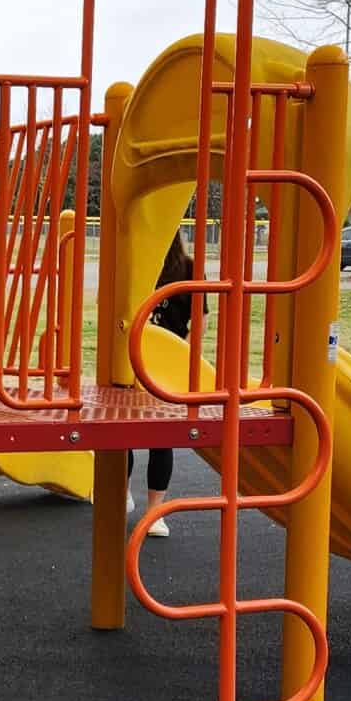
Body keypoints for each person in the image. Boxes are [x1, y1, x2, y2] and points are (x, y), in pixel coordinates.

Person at [136, 230, 195, 537]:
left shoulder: (185, 267)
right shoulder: (141, 266)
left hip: (152, 360)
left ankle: (151, 509)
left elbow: (199, 319)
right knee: (141, 435)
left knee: (149, 435)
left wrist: (179, 357)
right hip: (148, 360)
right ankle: (149, 509)